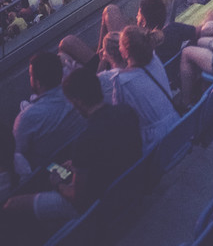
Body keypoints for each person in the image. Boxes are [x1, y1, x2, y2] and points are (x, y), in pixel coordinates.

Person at [3, 68, 142, 228]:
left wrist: (58, 184)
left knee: (12, 204)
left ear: (79, 101)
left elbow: (76, 197)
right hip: (127, 185)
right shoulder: (126, 110)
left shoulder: (85, 141)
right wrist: (79, 164)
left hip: (96, 204)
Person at [12, 52, 85, 173]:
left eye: (31, 76)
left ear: (38, 82)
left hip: (53, 174)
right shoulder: (77, 94)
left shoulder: (27, 118)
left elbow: (16, 156)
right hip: (84, 159)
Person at [112, 26, 179, 154]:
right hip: (176, 124)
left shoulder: (120, 81)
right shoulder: (154, 59)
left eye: (120, 45)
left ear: (126, 51)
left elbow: (118, 115)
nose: (118, 48)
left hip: (154, 142)